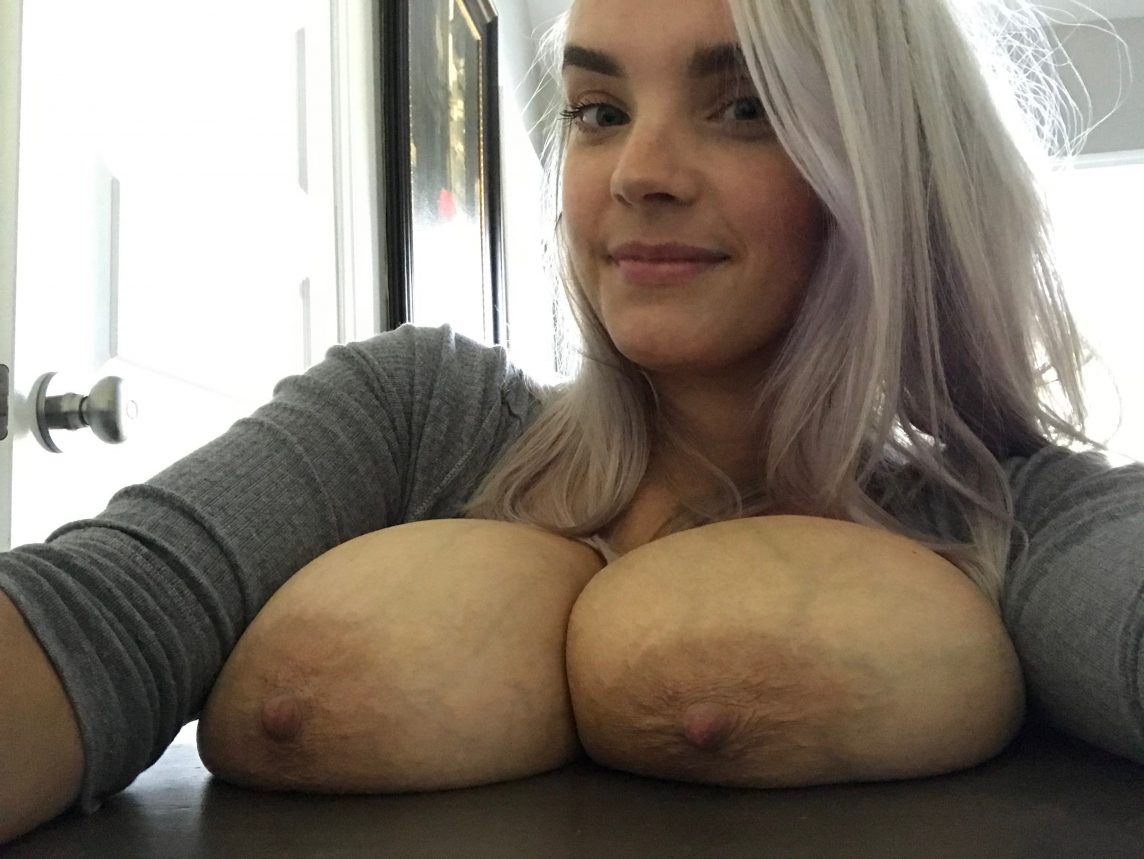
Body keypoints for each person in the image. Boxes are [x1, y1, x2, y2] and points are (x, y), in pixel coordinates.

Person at [3, 0, 1143, 844]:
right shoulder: (413, 415)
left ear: (893, 166)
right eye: (599, 112)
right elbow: (94, 617)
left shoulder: (1013, 516)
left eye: (744, 108)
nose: (637, 173)